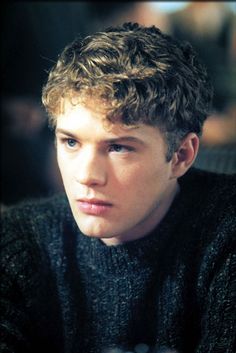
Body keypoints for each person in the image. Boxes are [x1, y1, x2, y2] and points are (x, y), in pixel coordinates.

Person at [1, 22, 235, 353]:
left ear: (181, 156)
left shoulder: (226, 234)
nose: (87, 175)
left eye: (118, 148)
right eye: (70, 142)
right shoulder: (18, 242)